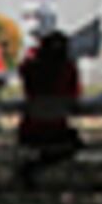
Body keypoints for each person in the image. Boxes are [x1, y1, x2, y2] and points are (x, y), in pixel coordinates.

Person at [14, 29, 82, 186]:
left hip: (30, 130)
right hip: (57, 130)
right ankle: (37, 166)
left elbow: (23, 70)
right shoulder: (68, 69)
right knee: (75, 143)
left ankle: (31, 169)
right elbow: (74, 96)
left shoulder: (32, 68)